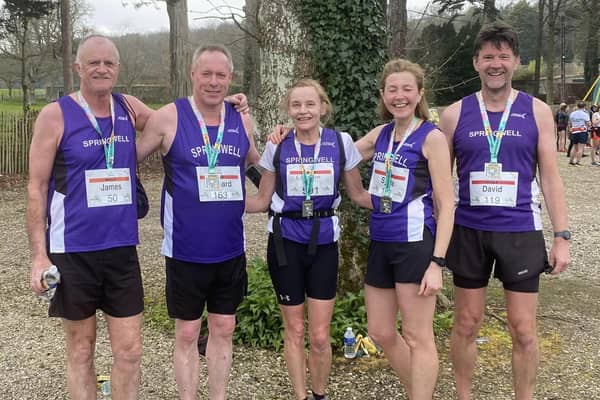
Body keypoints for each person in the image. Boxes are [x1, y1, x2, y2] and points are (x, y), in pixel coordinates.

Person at [439, 22, 571, 400]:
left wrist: (561, 237)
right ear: (476, 62)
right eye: (488, 57)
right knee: (466, 323)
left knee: (524, 328)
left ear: (515, 61)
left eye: (503, 56)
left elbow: (550, 178)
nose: (495, 64)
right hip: (468, 229)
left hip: (520, 230)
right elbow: (440, 183)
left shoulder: (538, 112)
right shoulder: (454, 115)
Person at [27, 35, 154, 399]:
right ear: (78, 68)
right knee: (81, 350)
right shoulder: (56, 114)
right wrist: (39, 256)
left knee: (129, 351)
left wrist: (222, 103)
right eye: (93, 63)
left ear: (117, 69)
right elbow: (35, 187)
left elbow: (177, 122)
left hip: (121, 250)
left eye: (109, 63)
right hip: (73, 251)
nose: (101, 69)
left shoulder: (127, 108)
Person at [136, 44, 259, 400]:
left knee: (224, 326)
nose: (214, 82)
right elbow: (127, 160)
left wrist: (276, 192)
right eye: (206, 73)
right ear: (192, 74)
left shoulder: (240, 119)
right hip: (185, 249)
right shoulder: (169, 117)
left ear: (230, 78)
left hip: (230, 247)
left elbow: (256, 166)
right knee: (188, 333)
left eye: (221, 75)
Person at [246, 79, 372, 400]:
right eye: (296, 105)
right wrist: (216, 202)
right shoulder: (279, 144)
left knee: (318, 335)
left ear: (323, 107)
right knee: (295, 330)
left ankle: (319, 394)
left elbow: (358, 194)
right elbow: (261, 200)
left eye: (310, 104)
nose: (303, 111)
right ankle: (300, 396)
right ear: (288, 110)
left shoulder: (340, 142)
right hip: (285, 243)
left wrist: (400, 201)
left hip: (324, 243)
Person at [354, 58, 455, 400]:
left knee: (417, 335)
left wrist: (438, 263)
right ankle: (418, 390)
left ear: (420, 94)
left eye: (406, 89)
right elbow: (338, 156)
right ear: (383, 95)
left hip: (415, 244)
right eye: (392, 90)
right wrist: (289, 135)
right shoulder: (381, 134)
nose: (399, 96)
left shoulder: (432, 137)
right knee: (380, 331)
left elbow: (447, 203)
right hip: (381, 241)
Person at [568, 101, 591, 165]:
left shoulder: (572, 114)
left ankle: (571, 160)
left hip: (574, 131)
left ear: (577, 106)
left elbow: (570, 123)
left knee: (574, 147)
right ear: (584, 107)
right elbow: (588, 123)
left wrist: (571, 128)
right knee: (581, 148)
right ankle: (577, 161)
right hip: (582, 131)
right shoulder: (585, 114)